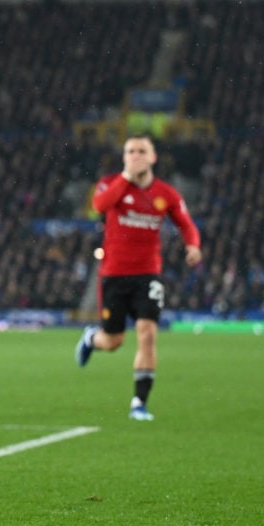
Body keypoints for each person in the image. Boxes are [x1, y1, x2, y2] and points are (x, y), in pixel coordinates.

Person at [75, 134, 201, 421]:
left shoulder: (166, 194)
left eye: (142, 151)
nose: (135, 155)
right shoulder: (111, 184)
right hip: (113, 275)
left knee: (147, 333)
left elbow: (187, 224)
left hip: (148, 275)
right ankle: (92, 338)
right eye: (130, 151)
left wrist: (193, 245)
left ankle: (138, 404)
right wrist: (126, 178)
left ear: (154, 157)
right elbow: (100, 205)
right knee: (114, 341)